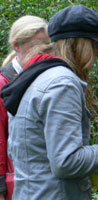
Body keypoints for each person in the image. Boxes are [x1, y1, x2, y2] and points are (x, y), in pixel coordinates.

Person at [0, 5, 98, 200]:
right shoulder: (62, 83)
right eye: (95, 46)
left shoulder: (36, 76)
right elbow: (67, 161)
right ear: (79, 44)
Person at [0, 15, 49, 200]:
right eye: (34, 46)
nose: (40, 52)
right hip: (13, 179)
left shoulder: (44, 76)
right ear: (16, 46)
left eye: (45, 45)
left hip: (38, 178)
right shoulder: (3, 83)